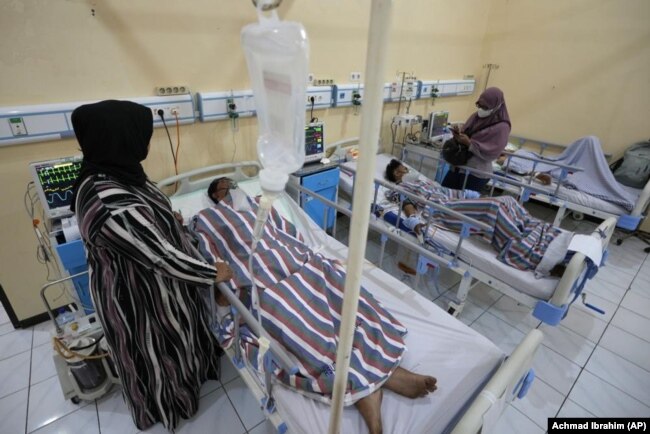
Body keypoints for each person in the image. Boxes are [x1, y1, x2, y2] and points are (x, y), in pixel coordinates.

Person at [191, 178, 438, 434]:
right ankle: (374, 386)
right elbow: (212, 263)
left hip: (298, 262)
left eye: (233, 183)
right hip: (260, 283)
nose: (232, 187)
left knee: (346, 300)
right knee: (298, 325)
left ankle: (372, 387)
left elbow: (288, 232)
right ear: (216, 196)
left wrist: (306, 256)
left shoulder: (259, 204)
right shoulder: (206, 219)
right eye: (225, 186)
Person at [70, 100, 234, 431]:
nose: (146, 144)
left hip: (156, 281)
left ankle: (194, 378)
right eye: (142, 136)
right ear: (121, 137)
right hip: (137, 297)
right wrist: (211, 273)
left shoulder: (118, 170)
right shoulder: (106, 200)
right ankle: (169, 406)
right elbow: (160, 257)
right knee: (155, 354)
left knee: (180, 339)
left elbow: (144, 216)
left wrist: (165, 218)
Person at [385, 160, 573, 276]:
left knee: (506, 199)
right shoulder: (399, 189)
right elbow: (407, 205)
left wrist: (470, 195)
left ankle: (538, 234)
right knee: (493, 207)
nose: (408, 172)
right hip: (440, 210)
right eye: (403, 170)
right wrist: (415, 222)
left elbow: (445, 190)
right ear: (396, 175)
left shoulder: (421, 182)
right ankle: (532, 255)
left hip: (451, 201)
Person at [442, 87, 511, 191]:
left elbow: (491, 153)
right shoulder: (476, 116)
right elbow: (467, 133)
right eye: (479, 105)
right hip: (458, 167)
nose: (481, 109)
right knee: (442, 195)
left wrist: (469, 143)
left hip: (476, 173)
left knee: (461, 205)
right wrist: (458, 136)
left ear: (496, 106)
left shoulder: (502, 127)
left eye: (485, 107)